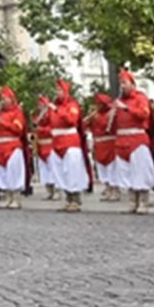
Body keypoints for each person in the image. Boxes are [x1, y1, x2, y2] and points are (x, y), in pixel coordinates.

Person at [112, 69, 154, 214]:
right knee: (127, 172)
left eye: (124, 83)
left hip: (137, 140)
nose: (122, 86)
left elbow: (144, 114)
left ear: (132, 84)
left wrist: (126, 108)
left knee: (140, 171)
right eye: (120, 83)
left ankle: (143, 201)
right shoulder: (119, 101)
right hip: (121, 140)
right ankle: (132, 201)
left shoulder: (140, 97)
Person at [49, 79, 89, 213]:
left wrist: (57, 110)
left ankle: (75, 199)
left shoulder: (72, 104)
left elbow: (72, 120)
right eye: (56, 90)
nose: (57, 92)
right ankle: (68, 198)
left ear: (66, 91)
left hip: (70, 142)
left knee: (72, 171)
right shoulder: (54, 106)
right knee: (60, 172)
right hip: (57, 142)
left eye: (60, 90)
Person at [0, 87, 27, 209]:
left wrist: (2, 122)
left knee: (14, 172)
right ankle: (8, 198)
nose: (3, 101)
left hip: (12, 145)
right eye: (2, 98)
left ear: (12, 99)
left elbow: (18, 129)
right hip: (1, 145)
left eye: (6, 98)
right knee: (2, 173)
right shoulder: (0, 113)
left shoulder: (17, 112)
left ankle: (16, 199)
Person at [87, 93, 118, 202]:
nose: (98, 106)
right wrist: (89, 118)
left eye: (100, 104)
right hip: (99, 145)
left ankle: (114, 191)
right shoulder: (95, 115)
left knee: (112, 168)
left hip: (110, 145)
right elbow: (85, 125)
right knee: (102, 169)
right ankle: (107, 189)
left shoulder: (112, 114)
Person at [32, 95, 58, 200]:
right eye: (39, 104)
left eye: (42, 104)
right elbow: (34, 129)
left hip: (50, 145)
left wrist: (41, 129)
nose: (40, 106)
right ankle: (48, 191)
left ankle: (56, 191)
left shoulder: (52, 115)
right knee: (44, 170)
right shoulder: (37, 117)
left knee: (53, 169)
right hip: (41, 145)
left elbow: (52, 129)